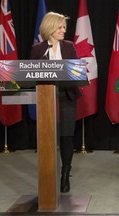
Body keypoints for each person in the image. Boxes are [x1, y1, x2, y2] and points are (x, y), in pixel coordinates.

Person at [30, 12, 81, 193]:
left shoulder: (69, 47)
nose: (63, 31)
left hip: (66, 96)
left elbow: (76, 71)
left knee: (66, 135)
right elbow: (30, 75)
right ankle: (47, 175)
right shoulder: (38, 49)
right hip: (46, 97)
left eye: (64, 27)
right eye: (60, 27)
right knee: (47, 135)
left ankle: (65, 175)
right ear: (50, 28)